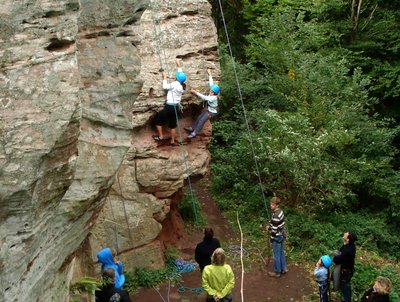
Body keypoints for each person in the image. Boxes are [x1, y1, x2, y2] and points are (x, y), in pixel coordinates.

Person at [153, 59, 187, 146]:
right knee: (173, 125)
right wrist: (178, 63)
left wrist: (164, 77)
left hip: (169, 107)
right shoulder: (183, 85)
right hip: (176, 108)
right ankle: (172, 141)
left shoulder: (175, 84)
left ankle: (161, 137)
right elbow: (181, 74)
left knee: (158, 122)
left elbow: (165, 86)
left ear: (176, 78)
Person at [185, 68, 220, 139]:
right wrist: (209, 74)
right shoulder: (213, 92)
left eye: (211, 91)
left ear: (214, 93)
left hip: (212, 112)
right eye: (210, 90)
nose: (210, 91)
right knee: (199, 118)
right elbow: (211, 83)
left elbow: (205, 98)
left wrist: (195, 92)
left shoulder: (213, 97)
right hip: (209, 110)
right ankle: (192, 128)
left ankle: (194, 133)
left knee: (201, 121)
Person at [333, 231, 357, 302]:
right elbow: (341, 250)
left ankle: (346, 300)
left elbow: (336, 260)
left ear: (348, 239)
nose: (344, 234)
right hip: (348, 270)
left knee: (345, 288)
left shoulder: (347, 251)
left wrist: (335, 257)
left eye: (346, 234)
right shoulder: (351, 245)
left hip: (346, 272)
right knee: (346, 287)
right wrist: (344, 244)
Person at [267, 196, 287, 278]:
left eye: (272, 205)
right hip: (282, 235)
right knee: (281, 252)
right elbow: (276, 223)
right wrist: (270, 225)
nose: (271, 206)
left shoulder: (275, 215)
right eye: (270, 204)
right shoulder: (280, 212)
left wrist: (271, 239)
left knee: (276, 255)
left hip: (277, 237)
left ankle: (277, 272)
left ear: (276, 205)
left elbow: (274, 231)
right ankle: (284, 269)